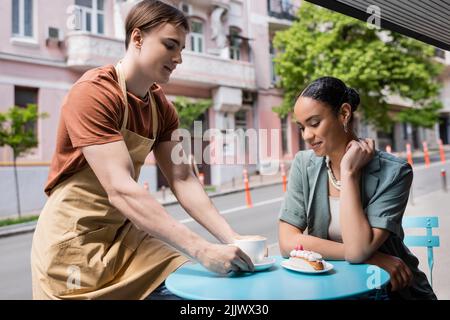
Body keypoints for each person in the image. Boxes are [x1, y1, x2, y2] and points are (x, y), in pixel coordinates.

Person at [31, 0, 255, 300]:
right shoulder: (93, 93)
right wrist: (202, 249)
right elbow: (121, 189)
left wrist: (233, 239)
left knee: (196, 294)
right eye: (170, 45)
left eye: (182, 50)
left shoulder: (162, 108)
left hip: (124, 237)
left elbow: (182, 178)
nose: (178, 59)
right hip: (72, 240)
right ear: (137, 38)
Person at [278, 76, 437, 300]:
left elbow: (357, 250)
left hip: (389, 289)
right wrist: (374, 258)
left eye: (314, 124)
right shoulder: (304, 164)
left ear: (344, 113)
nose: (306, 136)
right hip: (336, 287)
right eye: (302, 127)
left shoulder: (395, 171)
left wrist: (349, 172)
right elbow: (286, 242)